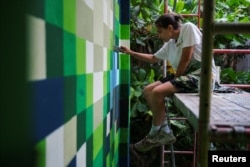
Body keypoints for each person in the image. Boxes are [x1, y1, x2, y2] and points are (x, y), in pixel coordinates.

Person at [120, 13, 217, 152]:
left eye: (160, 31)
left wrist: (175, 80)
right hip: (183, 74)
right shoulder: (170, 44)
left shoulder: (188, 28)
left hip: (203, 75)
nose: (158, 35)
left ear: (170, 28)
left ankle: (154, 134)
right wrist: (131, 52)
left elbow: (186, 58)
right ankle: (164, 129)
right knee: (148, 90)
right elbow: (153, 58)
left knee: (158, 92)